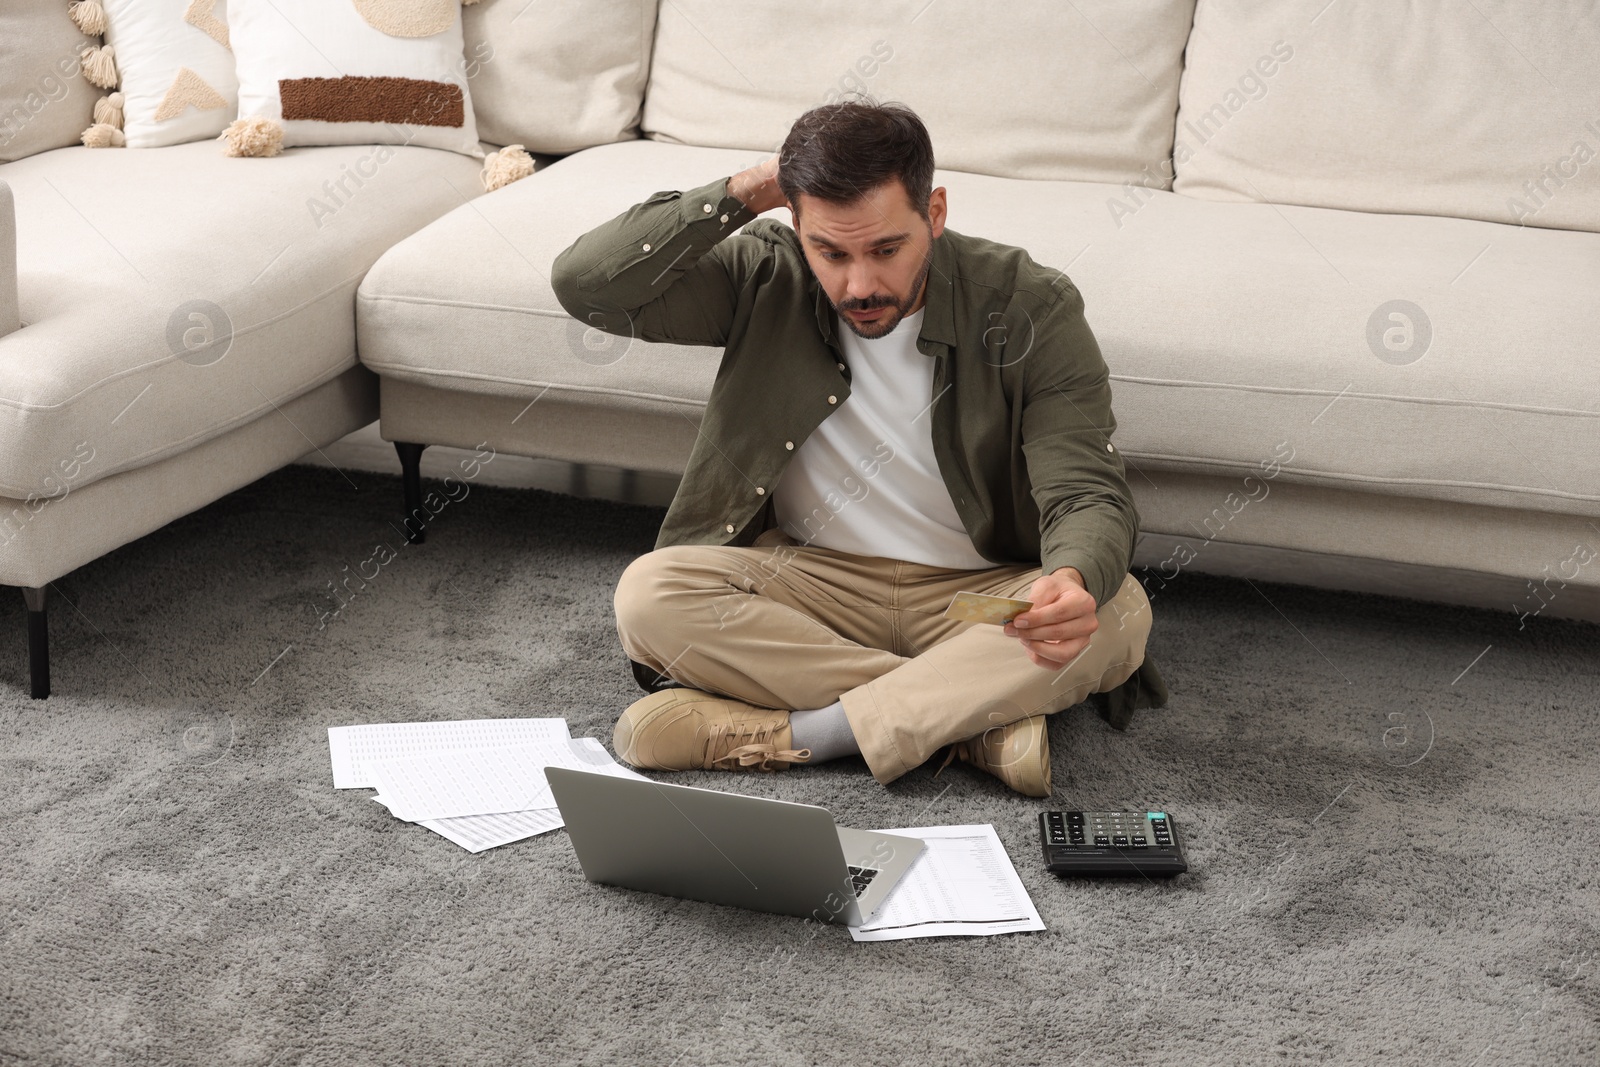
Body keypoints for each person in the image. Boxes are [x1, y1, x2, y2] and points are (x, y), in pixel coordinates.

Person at [551, 101, 1166, 797]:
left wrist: (1074, 581)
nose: (860, 285)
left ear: (933, 213)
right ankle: (973, 722)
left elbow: (1085, 490)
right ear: (795, 224)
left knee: (1118, 612)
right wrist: (752, 187)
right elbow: (587, 284)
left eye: (886, 249)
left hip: (977, 599)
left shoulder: (1031, 304)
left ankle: (803, 735)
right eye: (831, 251)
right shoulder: (768, 275)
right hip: (815, 587)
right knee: (650, 595)